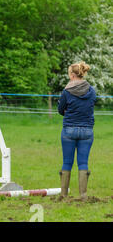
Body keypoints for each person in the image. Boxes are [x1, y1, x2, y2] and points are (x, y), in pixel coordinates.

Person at [58, 61, 96, 200]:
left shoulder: (66, 92)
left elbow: (60, 110)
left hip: (69, 130)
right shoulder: (91, 91)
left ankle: (63, 195)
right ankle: (83, 195)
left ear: (73, 75)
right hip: (87, 131)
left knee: (67, 162)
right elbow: (89, 106)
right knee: (83, 162)